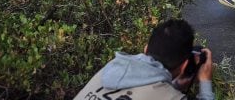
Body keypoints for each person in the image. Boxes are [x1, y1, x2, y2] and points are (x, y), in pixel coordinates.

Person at [73, 19, 214, 100]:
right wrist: (205, 81)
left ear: (146, 49)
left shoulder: (110, 69)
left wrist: (175, 86)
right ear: (184, 66)